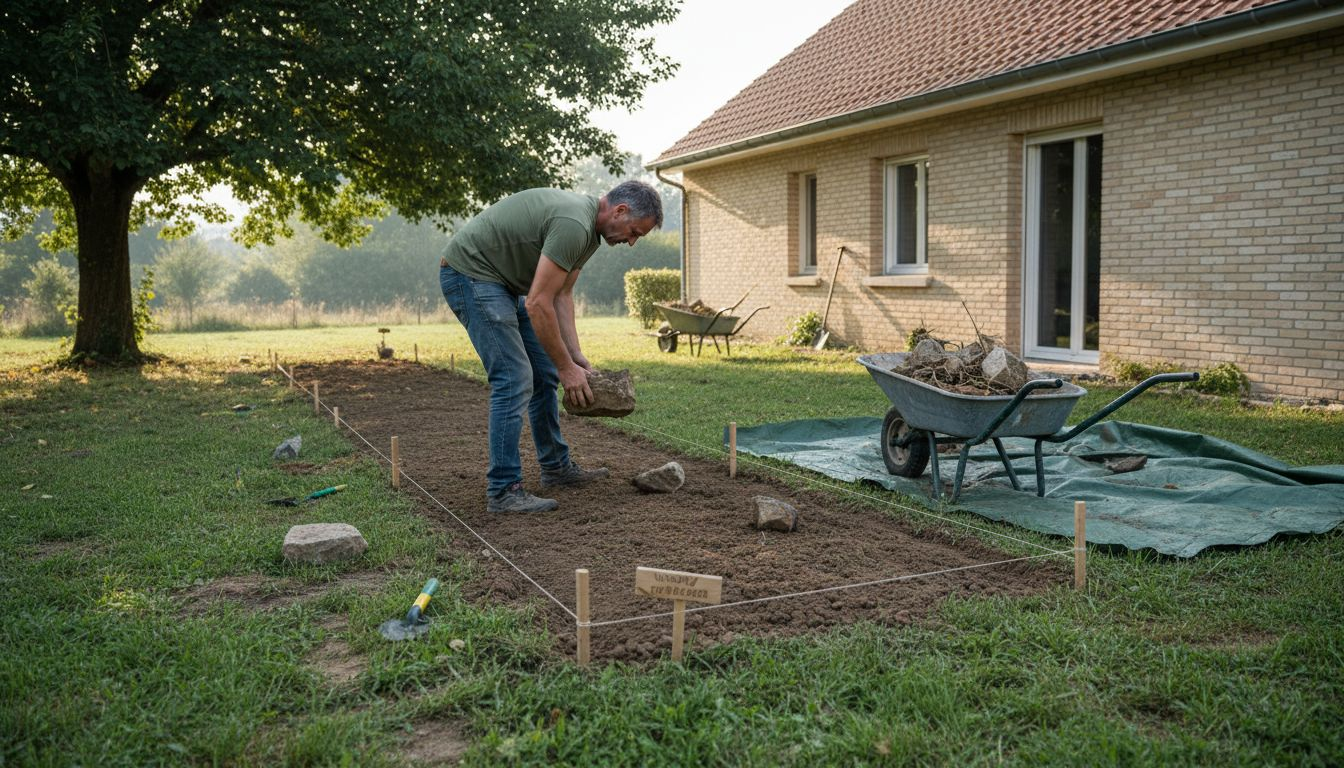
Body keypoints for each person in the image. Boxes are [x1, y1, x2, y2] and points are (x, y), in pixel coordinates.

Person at [439, 180, 663, 513]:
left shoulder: (589, 234)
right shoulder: (574, 224)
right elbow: (538, 303)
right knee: (514, 378)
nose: (631, 242)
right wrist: (565, 368)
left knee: (544, 374)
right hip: (471, 274)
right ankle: (503, 490)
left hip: (501, 283)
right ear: (620, 210)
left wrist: (574, 358)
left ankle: (555, 467)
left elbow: (561, 296)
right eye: (634, 232)